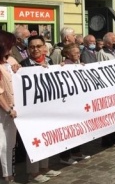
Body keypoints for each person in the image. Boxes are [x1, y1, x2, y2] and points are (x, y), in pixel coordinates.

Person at [20, 35, 61, 183]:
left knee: (47, 138)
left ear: (44, 47)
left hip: (48, 108)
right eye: (32, 47)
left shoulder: (49, 61)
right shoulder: (23, 65)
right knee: (35, 141)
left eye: (38, 46)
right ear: (28, 48)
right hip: (32, 111)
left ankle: (45, 168)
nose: (35, 49)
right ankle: (33, 173)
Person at [58, 43, 91, 165]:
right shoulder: (65, 65)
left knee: (78, 128)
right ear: (67, 54)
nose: (78, 54)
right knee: (68, 130)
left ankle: (76, 152)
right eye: (75, 52)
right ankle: (65, 156)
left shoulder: (76, 64)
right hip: (68, 104)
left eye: (79, 52)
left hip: (78, 103)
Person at [96, 32, 115, 147]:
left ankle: (114, 135)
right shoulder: (102, 53)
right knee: (108, 114)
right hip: (109, 87)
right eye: (114, 40)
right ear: (107, 43)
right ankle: (106, 139)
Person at [0, 31, 19, 183]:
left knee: (10, 144)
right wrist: (7, 109)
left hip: (11, 110)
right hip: (4, 111)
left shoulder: (9, 60)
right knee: (2, 145)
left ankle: (9, 176)